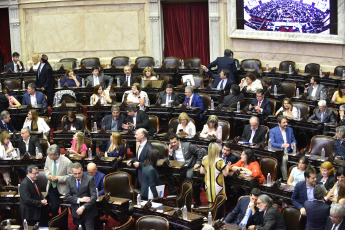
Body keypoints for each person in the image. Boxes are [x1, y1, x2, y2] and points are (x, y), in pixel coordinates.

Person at [168, 133, 203, 203]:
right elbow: (171, 162)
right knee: (169, 176)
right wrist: (170, 153)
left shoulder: (188, 145)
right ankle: (174, 195)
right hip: (178, 168)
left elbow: (200, 152)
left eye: (174, 142)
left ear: (178, 140)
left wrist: (198, 162)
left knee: (188, 177)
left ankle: (187, 196)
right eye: (171, 143)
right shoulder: (172, 148)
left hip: (189, 167)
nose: (173, 144)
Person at [65, 162, 98, 230]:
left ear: (82, 170)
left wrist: (83, 207)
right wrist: (79, 200)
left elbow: (94, 196)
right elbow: (67, 196)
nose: (77, 176)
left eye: (79, 173)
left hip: (88, 211)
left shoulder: (90, 179)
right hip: (76, 210)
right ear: (72, 172)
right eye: (75, 174)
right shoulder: (69, 180)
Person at [43, 144, 73, 217]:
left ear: (57, 155)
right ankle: (55, 224)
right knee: (54, 208)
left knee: (64, 210)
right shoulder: (48, 158)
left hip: (63, 188)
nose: (49, 156)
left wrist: (59, 178)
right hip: (52, 186)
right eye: (48, 154)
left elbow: (71, 176)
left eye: (50, 155)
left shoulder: (67, 162)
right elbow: (46, 169)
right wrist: (49, 175)